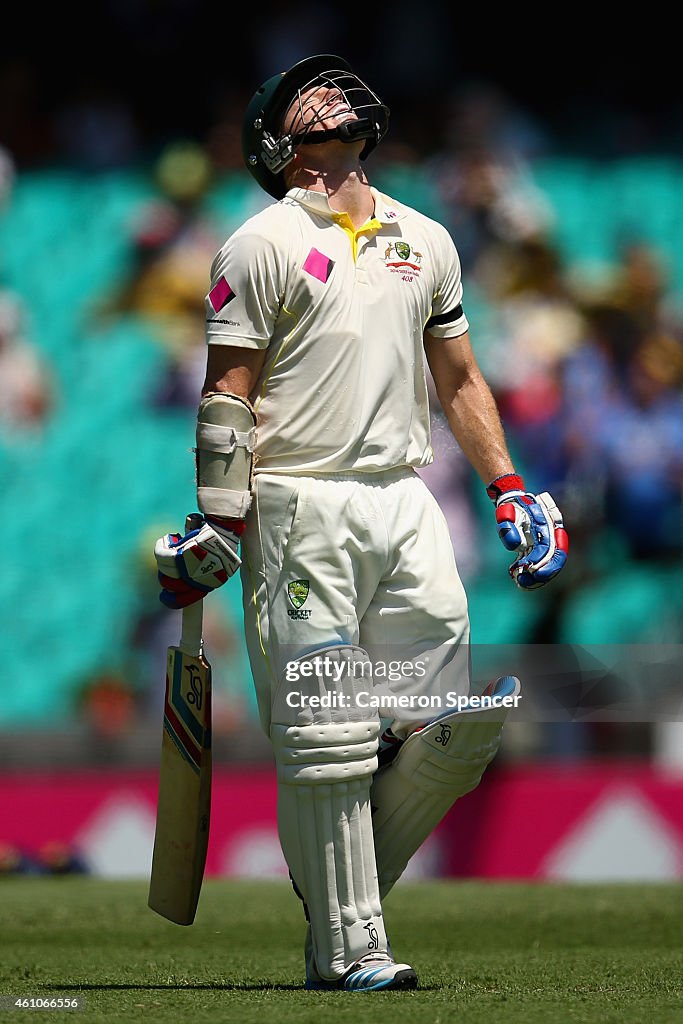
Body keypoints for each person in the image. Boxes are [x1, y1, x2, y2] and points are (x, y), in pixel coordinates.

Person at [154, 55, 568, 992]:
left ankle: (335, 880)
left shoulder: (425, 238)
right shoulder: (257, 244)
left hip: (404, 497)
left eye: (333, 88)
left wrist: (508, 487)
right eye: (303, 96)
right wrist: (218, 521)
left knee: (451, 727)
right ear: (276, 142)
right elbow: (228, 395)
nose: (330, 92)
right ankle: (347, 951)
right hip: (300, 500)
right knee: (327, 730)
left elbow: (457, 381)